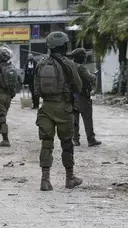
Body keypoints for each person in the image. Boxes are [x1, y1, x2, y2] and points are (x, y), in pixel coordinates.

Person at [34, 31, 83, 191]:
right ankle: (69, 178)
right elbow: (78, 85)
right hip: (64, 108)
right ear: (64, 45)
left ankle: (45, 180)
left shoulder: (41, 63)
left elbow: (36, 89)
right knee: (67, 143)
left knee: (46, 144)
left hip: (46, 108)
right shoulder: (68, 64)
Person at [68, 48, 101, 147]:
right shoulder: (81, 68)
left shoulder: (69, 67)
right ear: (82, 58)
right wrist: (93, 76)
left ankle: (75, 140)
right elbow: (90, 78)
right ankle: (91, 139)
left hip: (71, 96)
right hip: (82, 96)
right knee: (87, 119)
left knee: (74, 119)